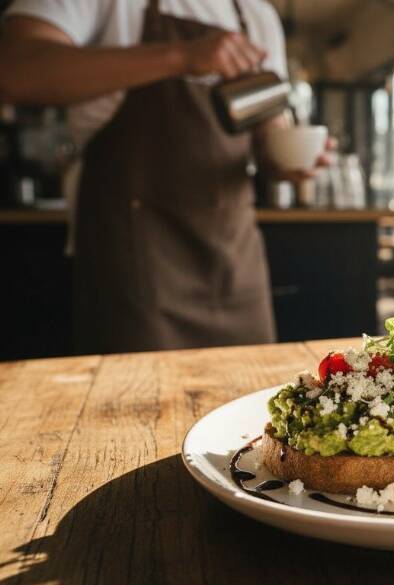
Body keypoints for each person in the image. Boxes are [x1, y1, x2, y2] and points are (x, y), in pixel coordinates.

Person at [0, 1, 328, 354]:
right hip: (135, 269)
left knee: (250, 400)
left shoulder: (256, 15)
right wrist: (180, 57)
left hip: (235, 266)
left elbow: (268, 132)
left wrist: (289, 159)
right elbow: (15, 71)